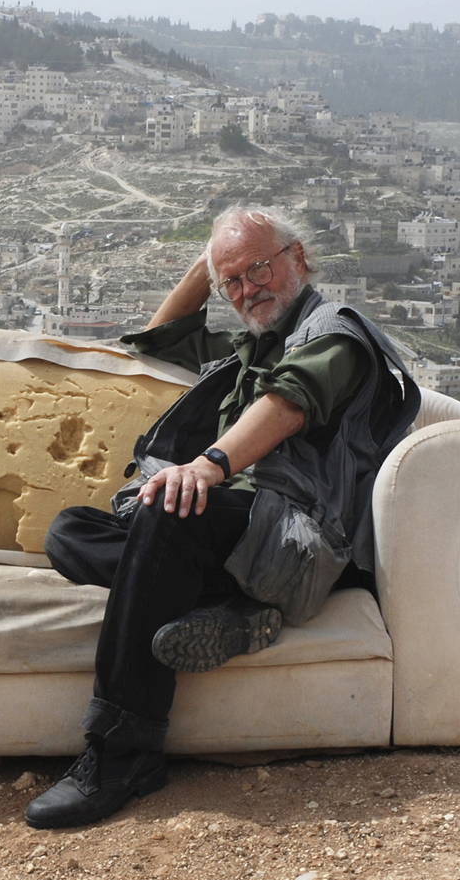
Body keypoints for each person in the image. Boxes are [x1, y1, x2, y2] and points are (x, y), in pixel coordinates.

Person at [25, 206, 421, 829]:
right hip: (235, 531)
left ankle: (123, 754)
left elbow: (291, 402)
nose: (247, 290)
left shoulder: (335, 334)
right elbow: (158, 337)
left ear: (298, 259)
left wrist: (208, 465)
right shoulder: (250, 345)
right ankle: (231, 608)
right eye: (232, 283)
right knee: (68, 530)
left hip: (299, 537)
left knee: (167, 512)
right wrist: (214, 262)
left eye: (259, 269)